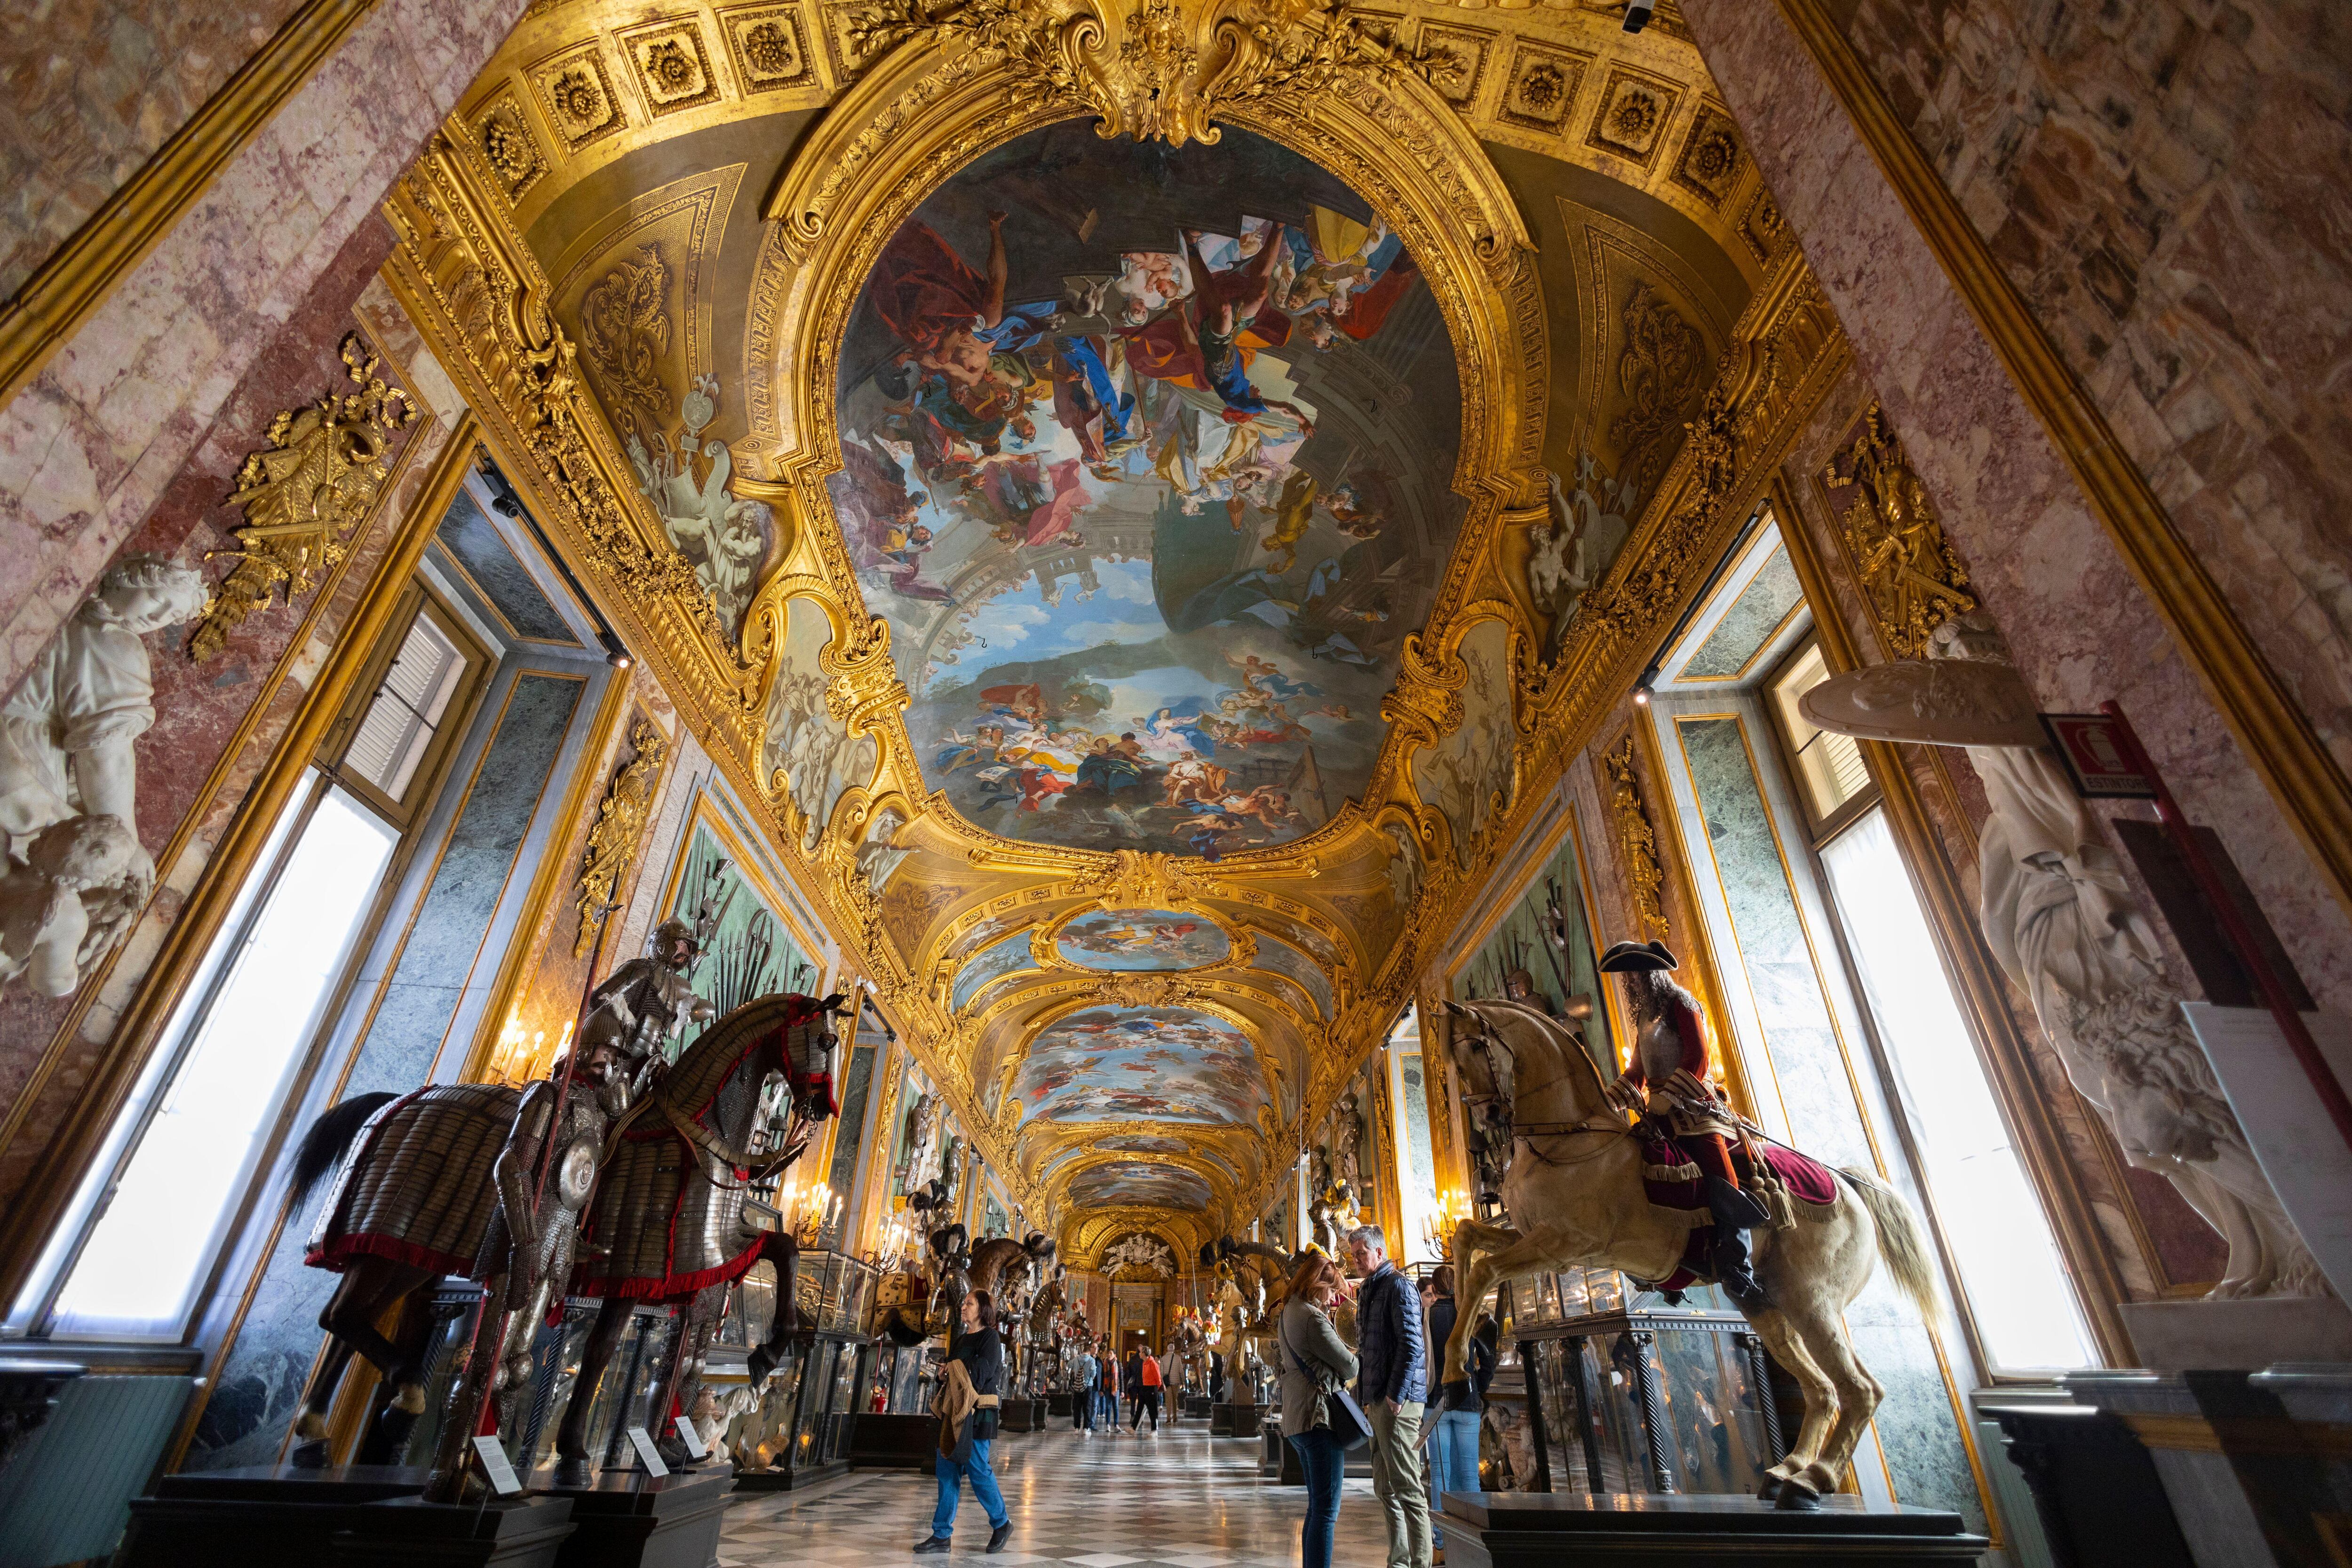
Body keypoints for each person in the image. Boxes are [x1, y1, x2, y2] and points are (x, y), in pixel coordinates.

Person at [1598, 939, 1769, 1303]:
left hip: (1696, 1106)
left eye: (1636, 973)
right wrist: (1608, 1101)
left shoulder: (1683, 1003)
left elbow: (1698, 1058)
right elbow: (1638, 1069)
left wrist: (1670, 1096)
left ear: (1653, 972)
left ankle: (1740, 1266)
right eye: (1628, 976)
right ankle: (1671, 1259)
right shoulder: (1646, 1016)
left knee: (1720, 1174)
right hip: (1658, 1109)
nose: (1631, 981)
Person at [1348, 1226, 1430, 1568]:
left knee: (1408, 1488)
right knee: (1385, 1487)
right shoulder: (1371, 1288)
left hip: (1398, 1401)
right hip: (1377, 1399)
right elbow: (1370, 1349)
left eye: (1361, 1254)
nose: (1356, 1262)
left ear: (1379, 1253)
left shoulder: (1398, 1285)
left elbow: (1412, 1345)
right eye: (1353, 1256)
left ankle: (1421, 1562)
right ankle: (1398, 1560)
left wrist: (1395, 1394)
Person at [1277, 1250, 1358, 1568]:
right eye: (1330, 1291)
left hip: (1298, 1418)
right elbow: (1350, 1366)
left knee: (1317, 1506)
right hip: (1318, 1418)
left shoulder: (1288, 1311)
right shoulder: (1310, 1317)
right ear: (1317, 1285)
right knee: (1326, 1511)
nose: (1331, 1299)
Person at [915, 1291, 1012, 1555]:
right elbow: (954, 1374)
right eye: (964, 1303)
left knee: (978, 1468)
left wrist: (954, 1366)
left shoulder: (990, 1338)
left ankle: (1002, 1523)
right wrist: (943, 1373)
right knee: (946, 1468)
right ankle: (941, 1534)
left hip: (979, 1412)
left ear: (982, 1309)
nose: (963, 1306)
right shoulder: (959, 1339)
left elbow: (982, 1373)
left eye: (969, 1303)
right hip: (955, 1411)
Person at [1420, 1265, 1491, 1560]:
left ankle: (1441, 1543)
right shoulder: (1469, 1314)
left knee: (1441, 1476)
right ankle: (1474, 1542)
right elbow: (1487, 1358)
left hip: (1435, 1401)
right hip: (1467, 1400)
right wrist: (1479, 1387)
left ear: (1434, 1289)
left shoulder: (1427, 1315)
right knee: (1469, 1475)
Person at [1134, 1341, 1164, 1432]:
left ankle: (1154, 1429)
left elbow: (1158, 1377)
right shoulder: (1145, 1363)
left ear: (1144, 1354)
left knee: (1152, 1409)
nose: (1140, 1353)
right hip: (1145, 1387)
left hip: (1152, 1388)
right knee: (1141, 1408)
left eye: (1141, 1352)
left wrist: (1157, 1388)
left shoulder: (1152, 1364)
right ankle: (1134, 1428)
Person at [1071, 1341, 1098, 1432]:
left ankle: (1077, 1428)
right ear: (1089, 1352)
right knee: (1087, 1408)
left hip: (1078, 1386)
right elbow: (1093, 1373)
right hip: (1088, 1386)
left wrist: (1075, 1369)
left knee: (1077, 1408)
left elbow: (1068, 1365)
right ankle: (1086, 1428)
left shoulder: (1076, 1359)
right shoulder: (1091, 1360)